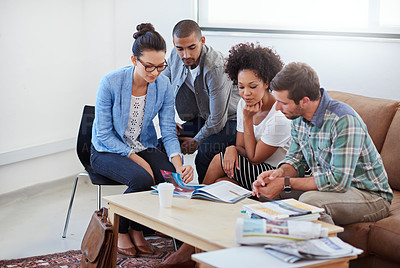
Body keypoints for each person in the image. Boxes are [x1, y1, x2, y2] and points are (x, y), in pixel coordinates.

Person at [90, 23, 193, 257]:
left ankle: (138, 230)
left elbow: (167, 130)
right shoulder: (110, 82)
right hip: (106, 150)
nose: (155, 73)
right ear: (134, 59)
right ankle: (120, 229)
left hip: (143, 145)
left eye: (160, 66)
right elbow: (104, 134)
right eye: (149, 66)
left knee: (169, 178)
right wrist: (136, 158)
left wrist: (179, 164)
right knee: (142, 177)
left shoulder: (163, 85)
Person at [252, 62, 393, 225]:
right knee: (265, 193)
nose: (276, 108)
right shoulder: (298, 118)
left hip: (370, 195)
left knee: (310, 201)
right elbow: (295, 160)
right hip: (334, 189)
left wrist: (285, 183)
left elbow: (338, 181)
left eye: (283, 103)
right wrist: (279, 174)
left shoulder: (343, 121)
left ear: (304, 101)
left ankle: (330, 249)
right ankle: (282, 245)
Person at [203, 43, 292, 192]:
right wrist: (232, 148)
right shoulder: (243, 104)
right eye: (241, 87)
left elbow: (254, 158)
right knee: (222, 182)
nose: (246, 93)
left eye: (252, 86)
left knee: (219, 160)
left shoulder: (279, 117)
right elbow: (241, 147)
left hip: (275, 174)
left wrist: (247, 120)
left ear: (266, 83)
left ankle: (194, 197)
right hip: (254, 168)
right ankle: (200, 200)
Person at [162, 19, 240, 183]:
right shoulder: (175, 57)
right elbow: (161, 89)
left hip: (231, 120)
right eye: (180, 49)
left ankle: (204, 199)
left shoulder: (216, 67)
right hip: (205, 117)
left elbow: (218, 120)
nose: (186, 55)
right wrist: (169, 123)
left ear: (202, 41)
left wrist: (196, 141)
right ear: (174, 44)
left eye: (192, 47)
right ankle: (170, 191)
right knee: (163, 145)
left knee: (205, 151)